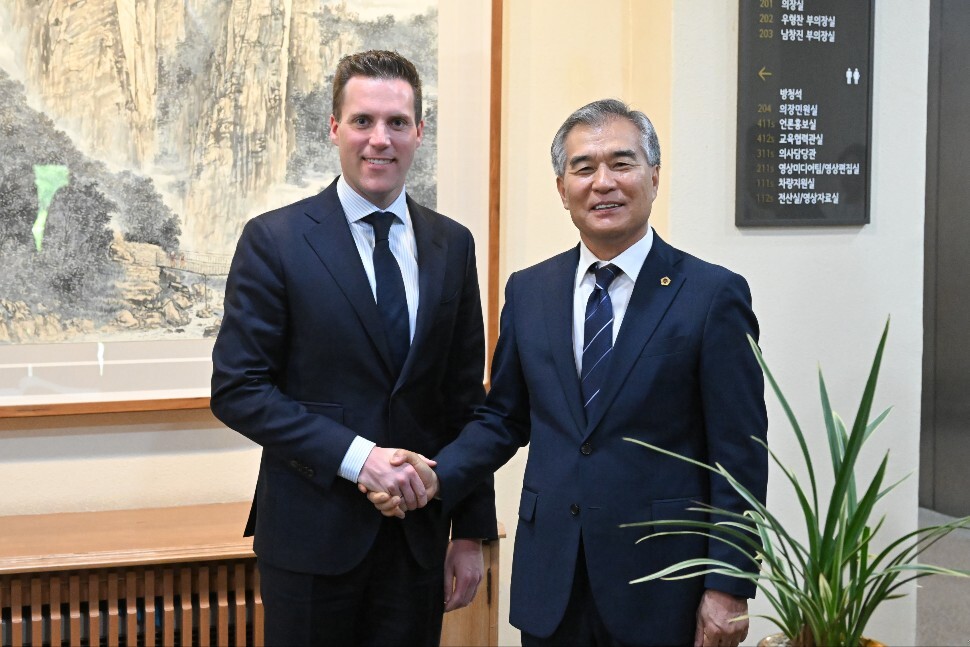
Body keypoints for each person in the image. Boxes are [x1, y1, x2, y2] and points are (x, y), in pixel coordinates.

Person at [369, 99, 768, 647]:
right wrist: (438, 476)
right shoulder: (531, 291)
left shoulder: (711, 295)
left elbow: (739, 455)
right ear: (562, 188)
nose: (603, 182)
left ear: (654, 176)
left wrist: (729, 585)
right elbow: (503, 419)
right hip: (552, 581)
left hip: (662, 586)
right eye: (584, 168)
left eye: (622, 163)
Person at [210, 50, 496, 647]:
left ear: (419, 132)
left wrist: (471, 531)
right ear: (335, 128)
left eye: (397, 123)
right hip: (312, 540)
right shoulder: (275, 240)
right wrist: (359, 458)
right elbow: (239, 389)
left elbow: (465, 400)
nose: (380, 139)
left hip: (417, 543)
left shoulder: (453, 245)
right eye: (363, 120)